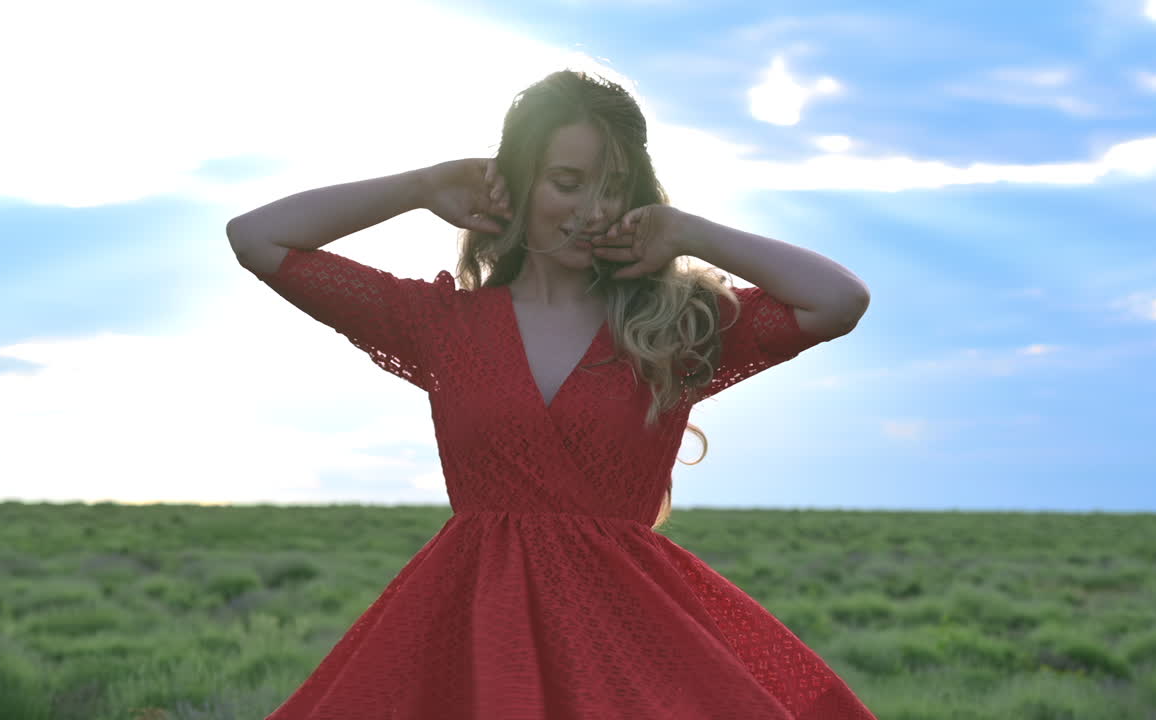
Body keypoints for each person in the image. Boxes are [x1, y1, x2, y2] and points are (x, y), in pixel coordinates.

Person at [228, 69, 874, 719]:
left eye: (615, 189)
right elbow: (257, 238)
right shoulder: (437, 322)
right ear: (519, 183)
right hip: (474, 637)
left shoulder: (677, 326)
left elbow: (839, 300)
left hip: (633, 646)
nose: (593, 210)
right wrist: (420, 187)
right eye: (568, 183)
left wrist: (690, 233)